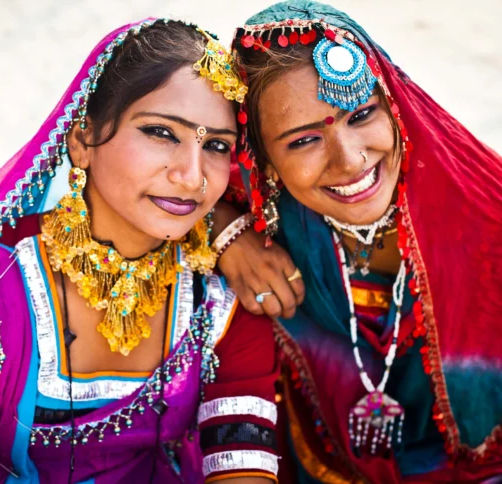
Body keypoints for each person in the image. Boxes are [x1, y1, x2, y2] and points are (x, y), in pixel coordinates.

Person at [0, 19, 280, 483]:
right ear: (82, 140)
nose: (192, 176)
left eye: (217, 146)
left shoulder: (223, 300)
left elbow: (243, 467)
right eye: (162, 133)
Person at [211, 1, 502, 482]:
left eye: (363, 113)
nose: (350, 162)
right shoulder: (259, 209)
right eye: (303, 141)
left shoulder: (484, 211)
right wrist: (226, 231)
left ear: (395, 103)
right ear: (261, 161)